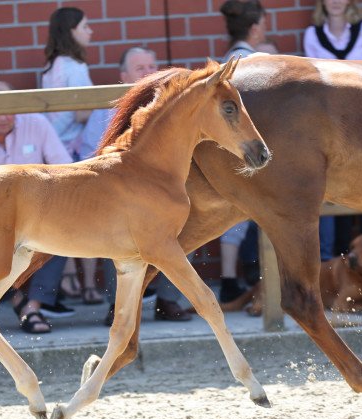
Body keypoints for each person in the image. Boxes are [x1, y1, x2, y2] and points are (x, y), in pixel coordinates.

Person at [78, 46, 193, 325]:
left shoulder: (171, 109)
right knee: (113, 228)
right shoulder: (108, 110)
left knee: (186, 219)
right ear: (124, 76)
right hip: (115, 194)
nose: (149, 73)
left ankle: (168, 299)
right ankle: (117, 306)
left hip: (161, 193)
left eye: (153, 66)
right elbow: (92, 158)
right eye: (140, 69)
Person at [0, 80, 75, 334]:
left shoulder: (38, 125)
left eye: (9, 109)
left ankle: (32, 305)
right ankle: (18, 301)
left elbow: (65, 171)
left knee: (65, 229)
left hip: (38, 214)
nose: (3, 117)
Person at [41, 6, 104, 306]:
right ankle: (87, 284)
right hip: (76, 152)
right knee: (88, 219)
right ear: (71, 32)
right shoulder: (76, 67)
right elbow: (81, 112)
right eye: (86, 26)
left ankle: (68, 280)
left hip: (53, 154)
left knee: (63, 221)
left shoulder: (51, 66)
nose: (91, 31)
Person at [304, 0, 362, 258]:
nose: (335, 1)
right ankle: (340, 269)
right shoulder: (313, 34)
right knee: (338, 187)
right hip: (331, 122)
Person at [218, 0, 268, 302]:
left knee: (233, 214)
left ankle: (228, 279)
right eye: (262, 24)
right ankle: (253, 277)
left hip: (228, 143)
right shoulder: (252, 62)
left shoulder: (228, 59)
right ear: (254, 28)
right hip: (247, 144)